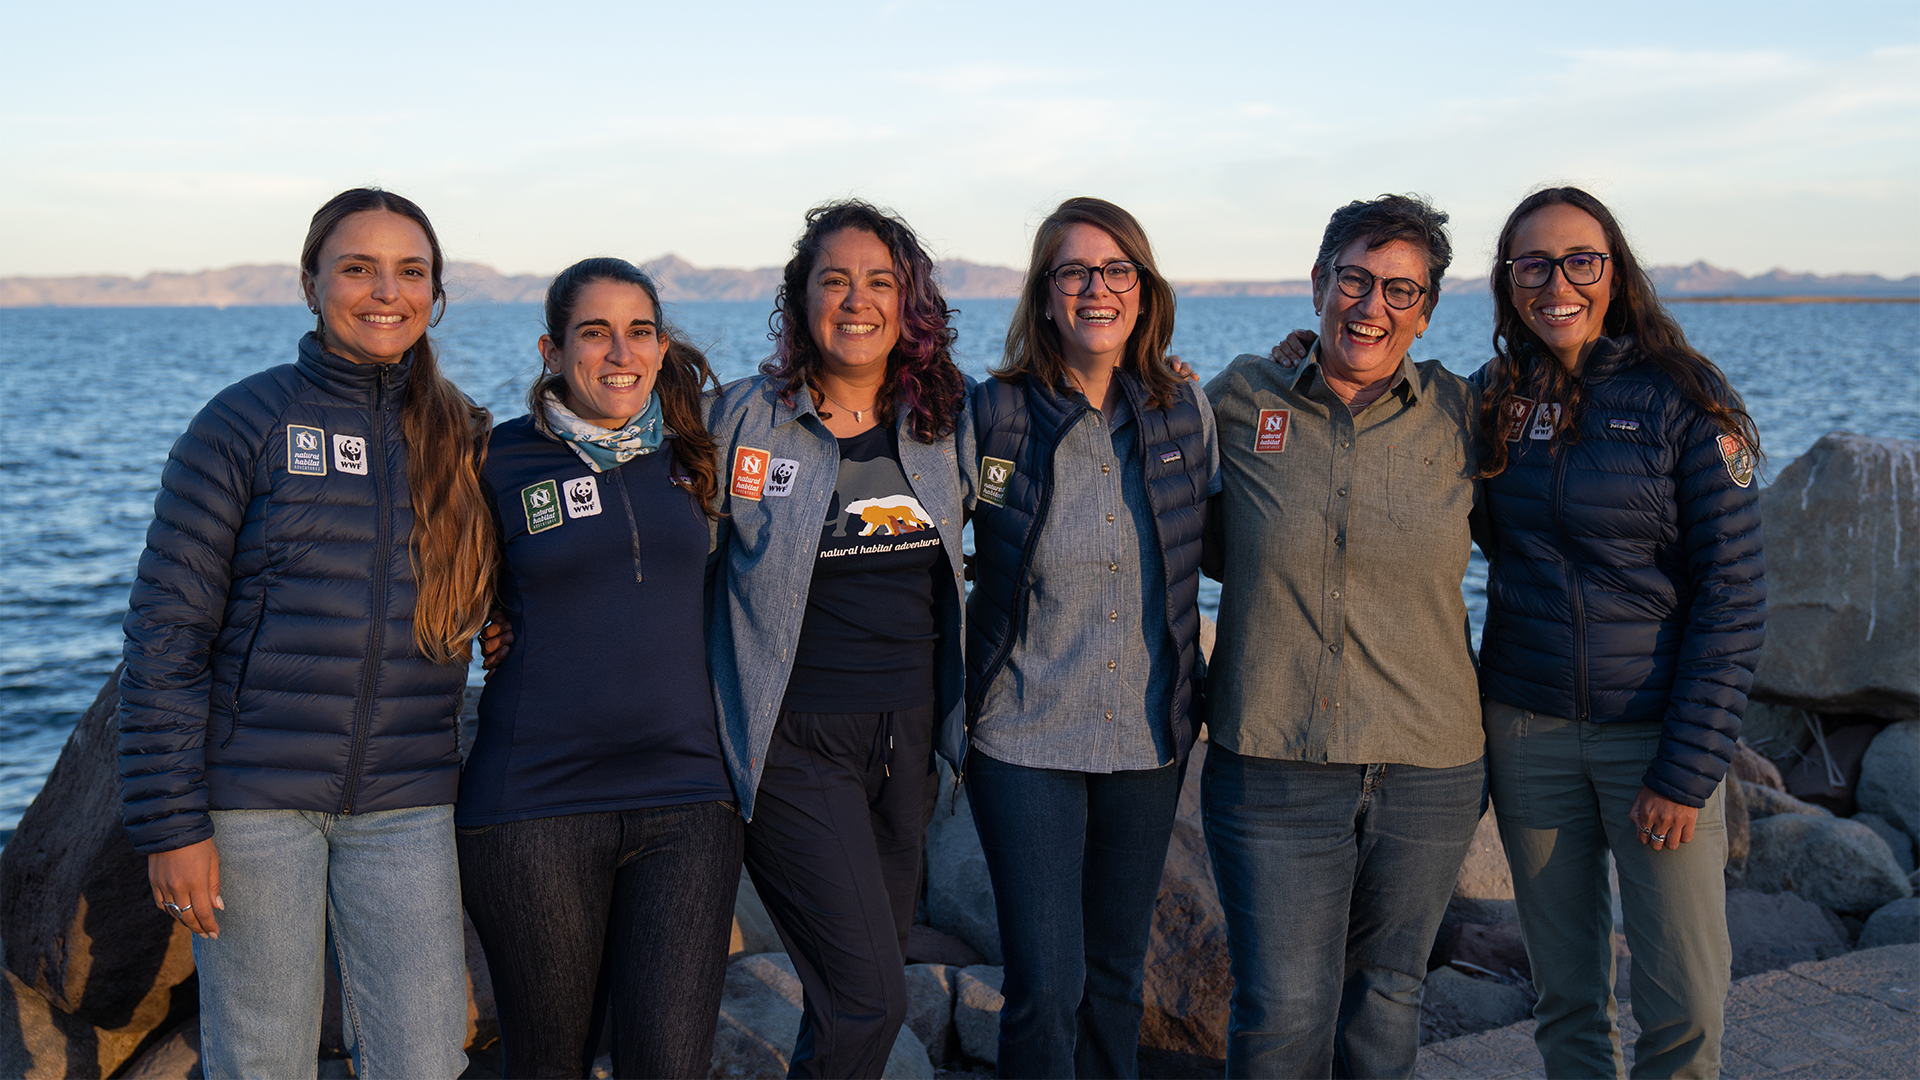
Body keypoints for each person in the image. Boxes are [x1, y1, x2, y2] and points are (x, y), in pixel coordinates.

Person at [119, 188, 491, 1079]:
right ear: (310, 283)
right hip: (255, 806)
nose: (386, 292)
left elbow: (520, 582)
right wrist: (171, 825)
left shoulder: (463, 435)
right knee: (263, 1061)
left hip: (409, 802)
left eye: (410, 272)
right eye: (358, 268)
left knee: (426, 1059)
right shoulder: (243, 423)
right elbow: (166, 635)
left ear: (435, 294)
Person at [1473, 186, 1764, 1078]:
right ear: (1508, 280)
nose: (1556, 284)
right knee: (1566, 999)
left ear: (1615, 272)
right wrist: (1304, 359)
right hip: (1529, 733)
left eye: (1580, 261)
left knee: (1684, 1005)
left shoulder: (1686, 398)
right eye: (1533, 264)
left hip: (1654, 740)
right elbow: (1386, 418)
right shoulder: (1492, 397)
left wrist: (1686, 771)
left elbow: (1733, 597)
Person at [1202, 193, 1488, 1078]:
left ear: (1426, 312)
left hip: (1429, 769)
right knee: (1282, 1013)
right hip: (1274, 762)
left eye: (1401, 291)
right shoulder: (1241, 400)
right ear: (1319, 283)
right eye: (1355, 280)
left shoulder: (1464, 414)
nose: (1373, 306)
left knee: (1388, 1000)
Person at [704, 200, 972, 1078]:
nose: (858, 301)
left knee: (848, 997)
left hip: (906, 744)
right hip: (792, 745)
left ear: (908, 303)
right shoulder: (743, 420)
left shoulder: (948, 420)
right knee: (871, 998)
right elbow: (656, 542)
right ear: (801, 299)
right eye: (835, 280)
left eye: (880, 282)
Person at [457, 258, 742, 1077]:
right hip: (533, 804)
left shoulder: (699, 454)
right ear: (552, 351)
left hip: (689, 800)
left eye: (639, 331)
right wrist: (488, 624)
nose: (621, 352)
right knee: (551, 1062)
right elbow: (440, 591)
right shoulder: (496, 461)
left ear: (661, 346)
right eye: (595, 332)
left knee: (670, 1063)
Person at [964, 196, 1217, 1079]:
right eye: (1073, 271)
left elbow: (1229, 536)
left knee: (1115, 977)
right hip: (1023, 735)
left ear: (1144, 291)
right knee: (1046, 983)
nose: (1097, 289)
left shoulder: (1186, 408)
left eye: (1117, 270)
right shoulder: (993, 414)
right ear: (1044, 295)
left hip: (1146, 738)